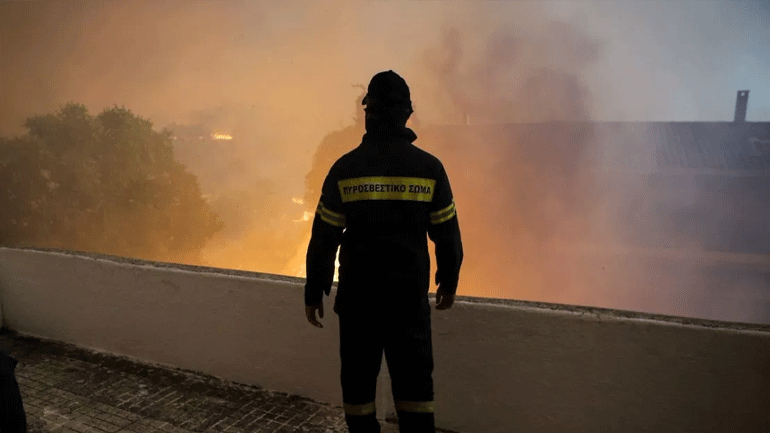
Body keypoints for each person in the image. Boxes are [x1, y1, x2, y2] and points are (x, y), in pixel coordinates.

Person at [304, 70, 463, 433]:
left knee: (358, 392)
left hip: (358, 304)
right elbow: (448, 236)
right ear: (407, 114)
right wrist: (448, 281)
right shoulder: (429, 169)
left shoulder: (345, 169)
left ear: (367, 114)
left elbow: (323, 239)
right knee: (416, 393)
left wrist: (315, 290)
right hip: (408, 303)